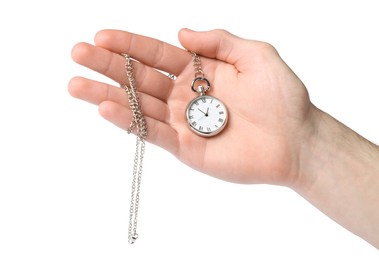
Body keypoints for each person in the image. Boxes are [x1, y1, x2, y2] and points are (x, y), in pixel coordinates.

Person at [68, 28, 379, 249]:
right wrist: (308, 148)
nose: (205, 111)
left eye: (207, 112)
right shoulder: (199, 104)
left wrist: (304, 139)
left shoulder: (207, 101)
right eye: (203, 112)